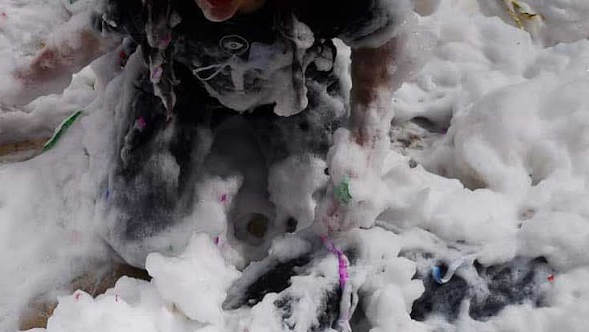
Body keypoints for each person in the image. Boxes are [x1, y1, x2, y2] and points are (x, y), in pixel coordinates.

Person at [21, 0, 412, 262]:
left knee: (334, 217)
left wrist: (363, 144)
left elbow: (379, 43)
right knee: (137, 232)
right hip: (178, 79)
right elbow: (80, 43)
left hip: (295, 81)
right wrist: (10, 89)